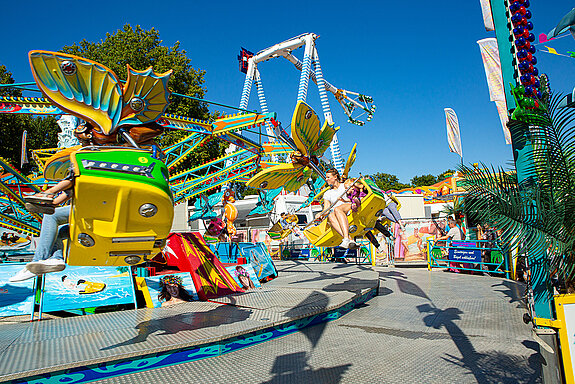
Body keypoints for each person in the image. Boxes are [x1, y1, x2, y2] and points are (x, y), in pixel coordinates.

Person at [316, 168, 356, 249]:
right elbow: (326, 209)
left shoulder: (344, 186)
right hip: (337, 214)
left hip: (348, 207)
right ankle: (348, 239)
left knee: (337, 209)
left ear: (335, 177)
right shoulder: (327, 193)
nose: (326, 179)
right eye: (326, 178)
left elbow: (354, 193)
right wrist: (320, 214)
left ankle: (346, 238)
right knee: (330, 215)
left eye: (328, 177)